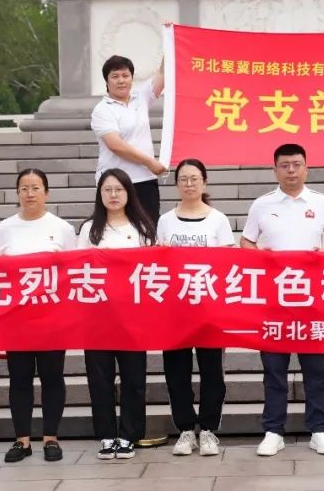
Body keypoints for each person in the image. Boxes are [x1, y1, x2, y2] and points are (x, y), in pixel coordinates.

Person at [241, 143, 324, 457]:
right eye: (284, 165)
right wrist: (260, 256)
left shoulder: (321, 202)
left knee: (315, 368)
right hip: (274, 300)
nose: (291, 171)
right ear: (274, 169)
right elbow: (246, 241)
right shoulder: (262, 204)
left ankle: (320, 429)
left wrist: (323, 254)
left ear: (306, 167)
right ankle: (273, 430)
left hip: (311, 299)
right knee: (274, 368)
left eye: (296, 164)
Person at [0, 168, 77, 464]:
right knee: (20, 378)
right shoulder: (6, 228)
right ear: (17, 193)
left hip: (52, 316)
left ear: (47, 193)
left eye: (35, 188)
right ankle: (22, 440)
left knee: (52, 376)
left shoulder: (62, 228)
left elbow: (73, 271)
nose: (29, 194)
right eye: (24, 188)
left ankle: (51, 438)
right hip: (17, 317)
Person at [78, 168, 157, 460]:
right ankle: (107, 435)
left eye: (119, 189)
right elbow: (79, 270)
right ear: (99, 194)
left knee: (133, 378)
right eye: (107, 189)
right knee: (100, 379)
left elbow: (152, 271)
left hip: (132, 318)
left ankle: (128, 435)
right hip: (97, 317)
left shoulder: (142, 227)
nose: (113, 195)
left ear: (128, 193)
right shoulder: (89, 229)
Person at [156, 159, 234, 457]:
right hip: (175, 309)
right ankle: (186, 429)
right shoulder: (166, 220)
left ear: (204, 182)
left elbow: (228, 264)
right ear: (177, 184)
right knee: (176, 371)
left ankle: (209, 430)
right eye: (183, 179)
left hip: (208, 308)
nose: (189, 184)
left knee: (212, 371)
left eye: (194, 178)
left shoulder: (218, 220)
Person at [90, 54, 166, 222]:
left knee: (148, 228)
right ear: (107, 81)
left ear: (132, 78)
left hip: (145, 179)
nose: (121, 81)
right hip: (114, 183)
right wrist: (150, 162)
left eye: (125, 75)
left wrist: (171, 41)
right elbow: (116, 145)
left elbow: (163, 74)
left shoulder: (141, 97)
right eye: (115, 76)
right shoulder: (102, 109)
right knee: (114, 229)